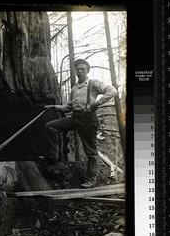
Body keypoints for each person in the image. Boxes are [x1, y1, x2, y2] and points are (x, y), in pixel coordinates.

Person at [39, 59, 118, 188]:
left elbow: (112, 91)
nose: (79, 71)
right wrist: (53, 106)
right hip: (75, 118)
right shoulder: (74, 89)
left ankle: (90, 179)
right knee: (51, 126)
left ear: (87, 70)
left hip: (88, 120)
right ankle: (52, 156)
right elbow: (68, 107)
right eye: (77, 69)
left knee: (91, 151)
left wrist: (96, 104)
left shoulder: (93, 83)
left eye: (82, 69)